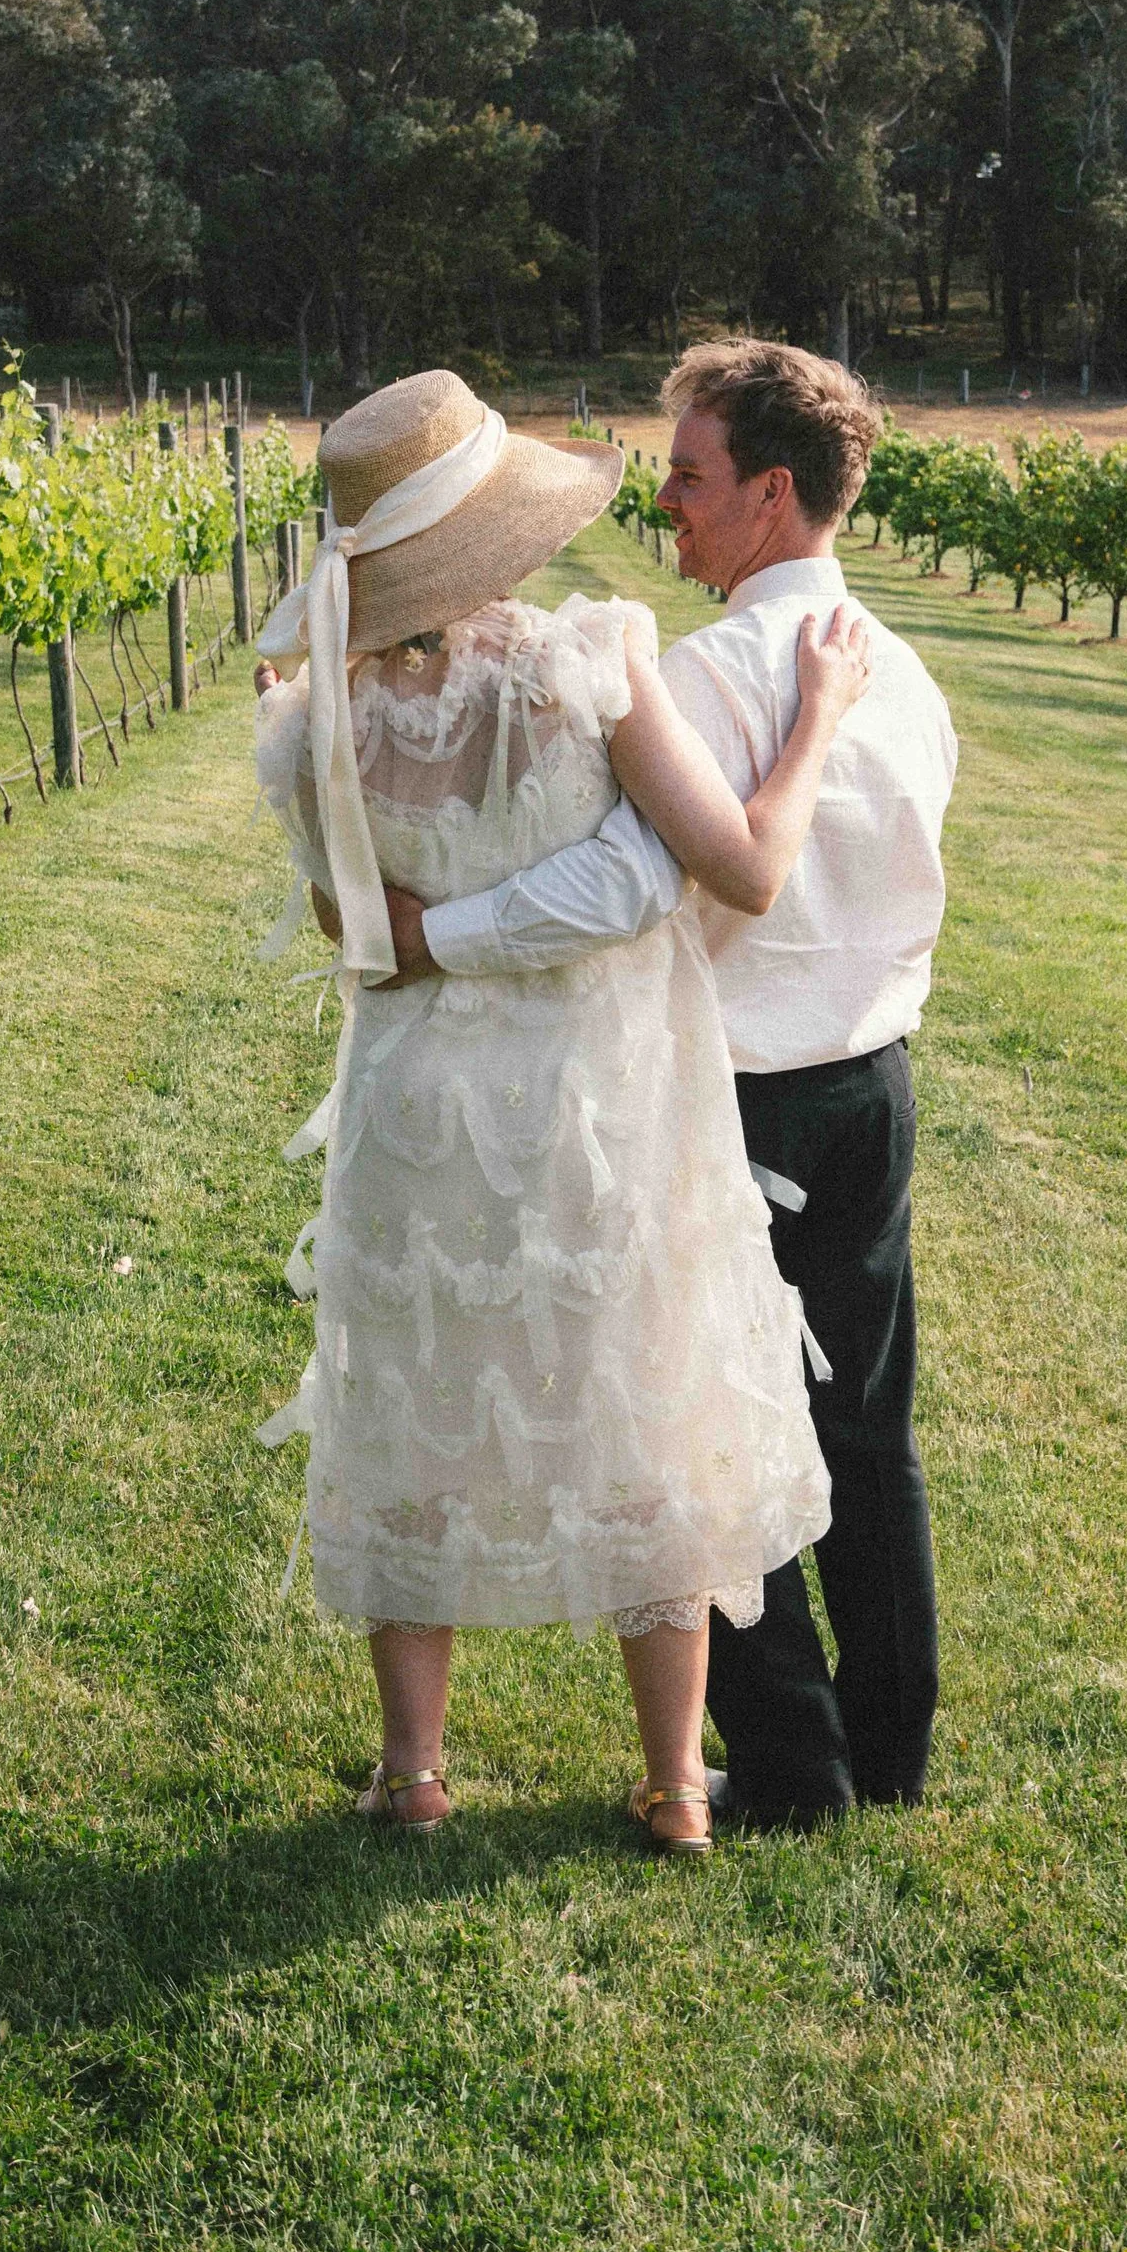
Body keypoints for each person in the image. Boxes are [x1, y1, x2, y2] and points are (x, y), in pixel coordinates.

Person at [253, 366, 873, 1856]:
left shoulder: (305, 724)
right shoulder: (586, 658)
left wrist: (428, 935)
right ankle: (673, 1782)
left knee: (410, 1405)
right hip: (596, 1097)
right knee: (641, 1404)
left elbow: (352, 923)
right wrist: (809, 734)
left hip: (413, 1098)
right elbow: (656, 875)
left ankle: (415, 1769)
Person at [392, 340, 957, 1829]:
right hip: (875, 1088)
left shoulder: (706, 678)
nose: (670, 508)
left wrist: (428, 934)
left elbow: (629, 884)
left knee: (721, 1427)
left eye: (693, 478)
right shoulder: (899, 669)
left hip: (744, 1095)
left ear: (774, 493)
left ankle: (792, 1768)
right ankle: (890, 1751)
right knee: (867, 1425)